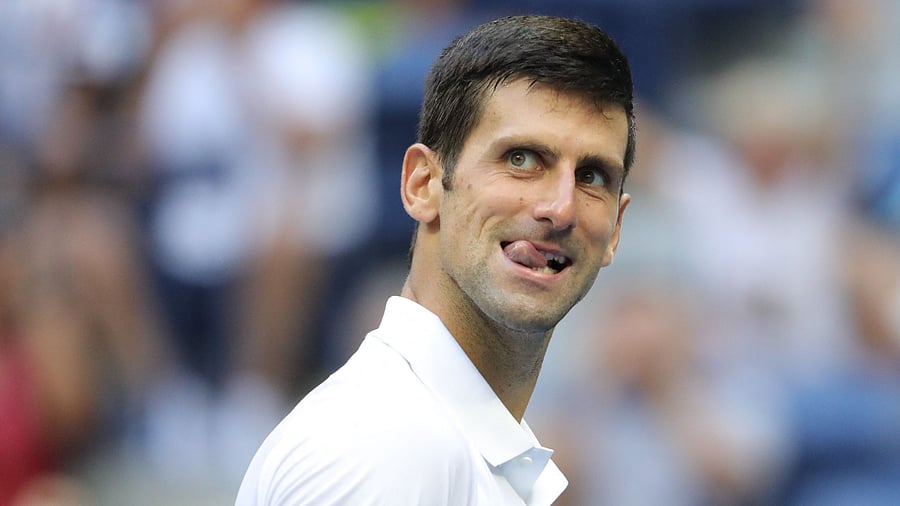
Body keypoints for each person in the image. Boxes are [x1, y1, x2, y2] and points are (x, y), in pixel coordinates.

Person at [236, 14, 635, 505]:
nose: (561, 208)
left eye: (592, 176)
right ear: (422, 185)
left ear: (616, 228)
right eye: (521, 159)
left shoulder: (429, 436)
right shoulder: (391, 445)